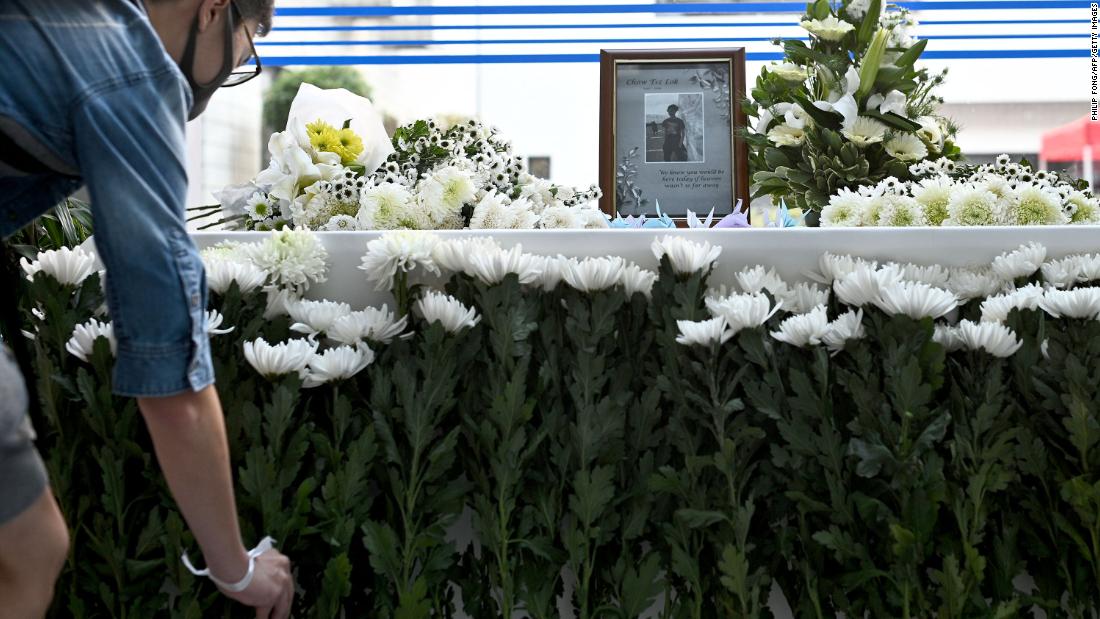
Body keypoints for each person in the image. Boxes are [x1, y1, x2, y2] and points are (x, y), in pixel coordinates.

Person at [0, 1, 295, 618]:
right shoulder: (131, 67)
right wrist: (236, 569)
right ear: (214, 9)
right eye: (251, 40)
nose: (241, 64)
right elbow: (170, 372)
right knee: (29, 551)